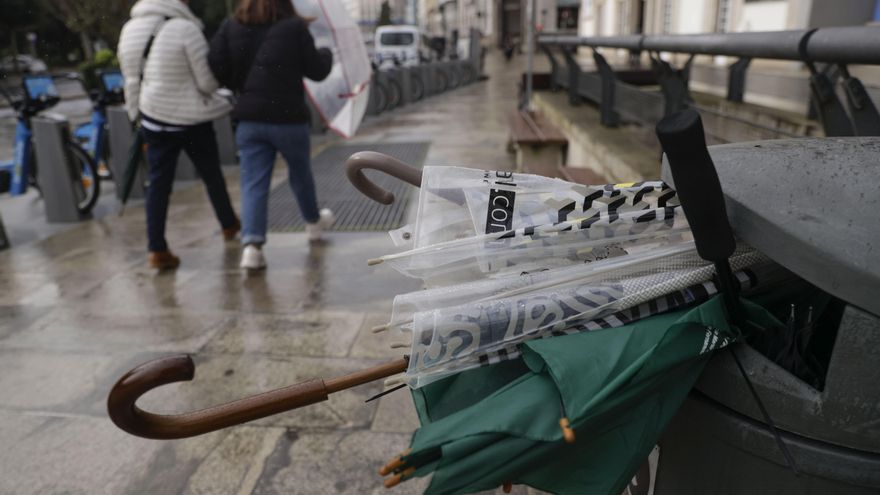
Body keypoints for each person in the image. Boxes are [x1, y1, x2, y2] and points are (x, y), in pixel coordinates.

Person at [208, 0, 334, 270]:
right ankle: (313, 224)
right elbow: (317, 71)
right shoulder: (294, 27)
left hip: (250, 119)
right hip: (289, 118)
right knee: (300, 174)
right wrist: (326, 53)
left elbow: (216, 64)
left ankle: (252, 247)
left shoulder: (231, 26)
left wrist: (239, 84)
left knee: (253, 183)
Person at [118, 0, 240, 270]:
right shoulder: (186, 28)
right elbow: (206, 82)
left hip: (153, 118)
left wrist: (136, 116)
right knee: (211, 175)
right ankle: (228, 224)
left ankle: (157, 248)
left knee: (158, 184)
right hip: (190, 119)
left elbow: (131, 80)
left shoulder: (130, 29)